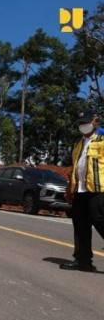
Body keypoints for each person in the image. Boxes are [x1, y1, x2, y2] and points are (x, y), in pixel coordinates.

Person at [61, 110, 102, 272]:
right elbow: (77, 167)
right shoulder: (78, 144)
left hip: (99, 190)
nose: (82, 126)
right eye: (80, 123)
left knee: (100, 220)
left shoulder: (102, 139)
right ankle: (83, 261)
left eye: (85, 122)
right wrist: (70, 187)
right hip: (80, 190)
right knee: (80, 225)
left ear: (95, 121)